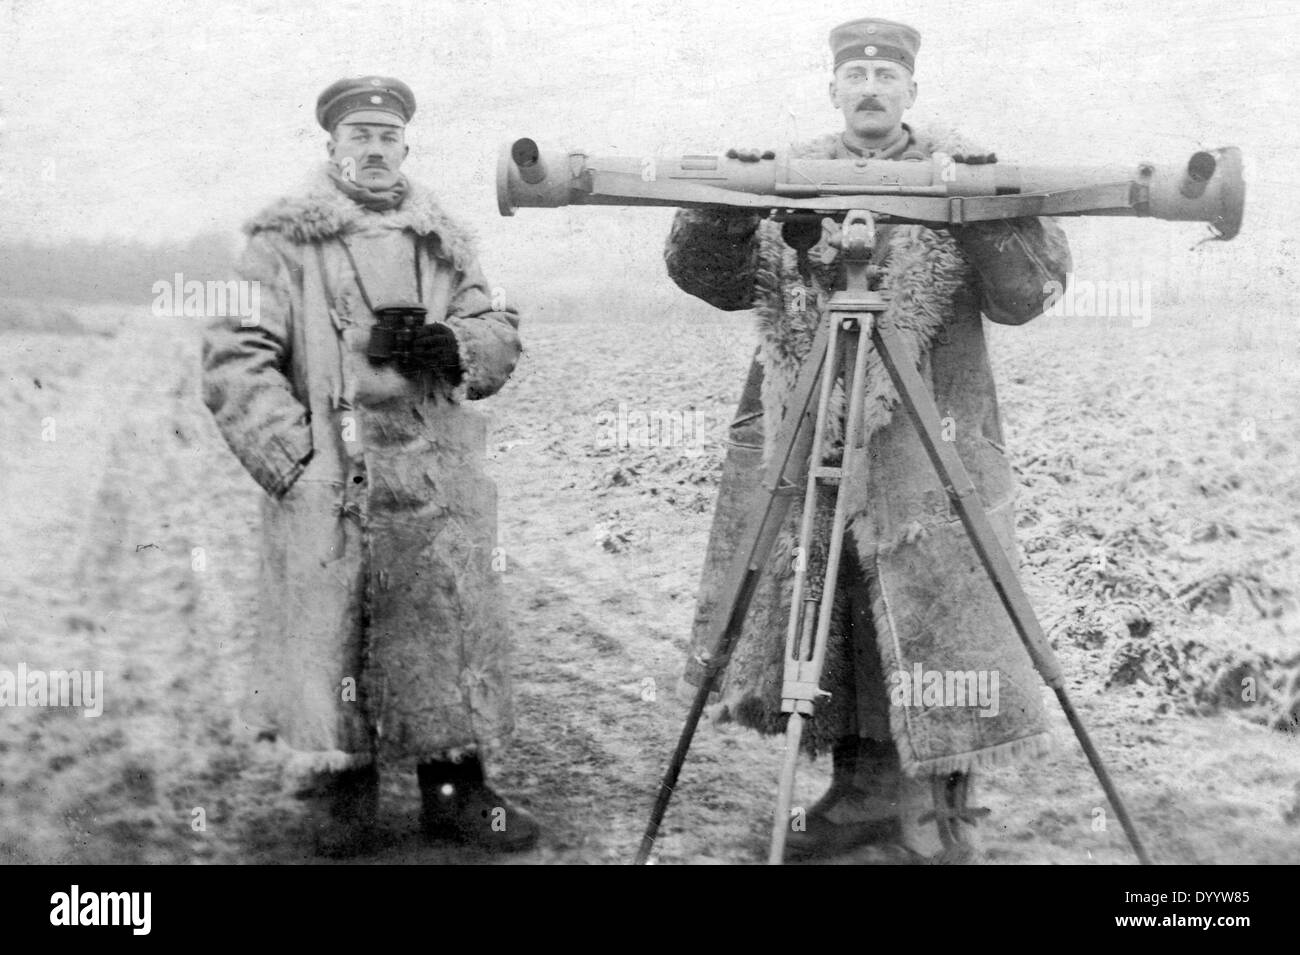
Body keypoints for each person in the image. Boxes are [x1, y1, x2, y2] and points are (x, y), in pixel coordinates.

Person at [665, 19, 1073, 862]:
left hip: (932, 437)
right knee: (837, 594)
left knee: (943, 612)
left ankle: (942, 812)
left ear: (913, 92)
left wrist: (980, 203)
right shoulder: (796, 174)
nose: (873, 86)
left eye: (889, 73)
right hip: (817, 423)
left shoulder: (962, 165)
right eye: (857, 72)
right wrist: (723, 202)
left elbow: (1027, 292)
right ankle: (858, 788)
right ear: (834, 89)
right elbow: (711, 278)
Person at [201, 75, 537, 857]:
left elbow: (496, 325)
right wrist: (298, 462)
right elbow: (232, 359)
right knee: (335, 630)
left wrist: (455, 344)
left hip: (430, 473)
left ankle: (456, 789)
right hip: (334, 474)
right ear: (332, 148)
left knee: (440, 626)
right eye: (360, 136)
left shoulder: (443, 240)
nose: (375, 149)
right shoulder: (283, 242)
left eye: (388, 137)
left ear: (406, 148)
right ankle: (339, 790)